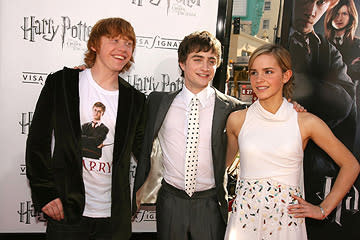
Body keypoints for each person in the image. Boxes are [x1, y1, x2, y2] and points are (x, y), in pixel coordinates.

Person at [26, 17, 146, 240]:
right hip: (67, 212)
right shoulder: (62, 83)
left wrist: (143, 191)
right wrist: (45, 192)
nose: (122, 48)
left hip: (114, 219)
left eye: (128, 43)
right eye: (114, 40)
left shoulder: (135, 100)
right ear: (94, 44)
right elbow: (37, 142)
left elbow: (145, 151)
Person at [224, 43, 359, 240]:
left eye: (268, 72)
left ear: (285, 76)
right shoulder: (237, 120)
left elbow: (350, 164)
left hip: (285, 223)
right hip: (244, 222)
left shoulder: (305, 122)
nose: (259, 79)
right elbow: (224, 165)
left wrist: (323, 209)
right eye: (254, 72)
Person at [133, 31, 244, 240]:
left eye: (212, 60)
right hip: (170, 201)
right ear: (182, 63)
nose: (205, 67)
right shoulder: (157, 102)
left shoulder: (232, 108)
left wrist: (292, 108)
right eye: (198, 59)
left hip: (211, 203)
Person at [285, 0, 359, 238]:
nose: (311, 10)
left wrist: (298, 91)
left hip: (314, 173)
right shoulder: (274, 42)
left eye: (320, 3)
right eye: (306, 1)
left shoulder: (329, 51)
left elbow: (345, 102)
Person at [324, 0, 360, 81]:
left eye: (344, 14)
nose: (339, 18)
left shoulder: (358, 45)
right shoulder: (319, 44)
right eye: (336, 13)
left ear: (350, 16)